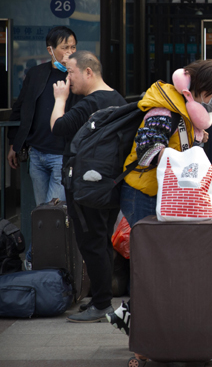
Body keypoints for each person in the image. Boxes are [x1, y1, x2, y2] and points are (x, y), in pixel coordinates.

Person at [106, 59, 212, 335]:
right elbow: (147, 151)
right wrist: (182, 157)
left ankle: (140, 318)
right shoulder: (164, 109)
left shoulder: (188, 110)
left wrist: (194, 144)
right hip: (142, 193)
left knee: (163, 261)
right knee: (148, 260)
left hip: (165, 196)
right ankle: (142, 324)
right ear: (204, 89)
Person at [49, 51, 127, 323]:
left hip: (85, 184)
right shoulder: (117, 99)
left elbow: (59, 127)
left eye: (70, 72)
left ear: (88, 72)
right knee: (101, 238)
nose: (67, 79)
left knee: (90, 241)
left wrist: (60, 100)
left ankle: (102, 302)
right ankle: (100, 297)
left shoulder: (88, 104)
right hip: (108, 182)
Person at [8, 26, 79, 206]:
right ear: (50, 50)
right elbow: (20, 108)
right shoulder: (36, 74)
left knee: (52, 214)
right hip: (37, 153)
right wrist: (14, 143)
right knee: (42, 210)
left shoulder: (77, 75)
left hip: (62, 155)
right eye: (65, 47)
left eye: (73, 47)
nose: (70, 52)